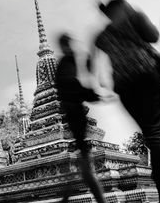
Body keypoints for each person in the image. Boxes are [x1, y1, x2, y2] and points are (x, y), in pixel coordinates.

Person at [92, 0, 160, 203]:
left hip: (124, 86)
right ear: (123, 6)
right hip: (145, 74)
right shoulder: (133, 17)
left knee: (153, 135)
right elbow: (153, 36)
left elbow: (94, 66)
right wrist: (135, 14)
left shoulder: (102, 35)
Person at [55, 33, 106, 203]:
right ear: (65, 45)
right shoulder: (67, 62)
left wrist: (91, 94)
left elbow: (74, 84)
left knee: (83, 163)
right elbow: (71, 86)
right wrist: (91, 94)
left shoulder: (69, 61)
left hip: (74, 113)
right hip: (74, 113)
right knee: (84, 164)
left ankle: (67, 196)